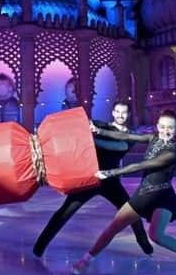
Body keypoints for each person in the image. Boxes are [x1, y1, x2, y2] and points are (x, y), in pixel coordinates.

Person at [71, 110, 176, 275]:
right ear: (157, 126)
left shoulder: (171, 152)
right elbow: (126, 135)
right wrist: (99, 131)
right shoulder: (153, 138)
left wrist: (112, 172)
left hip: (163, 196)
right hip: (144, 194)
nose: (166, 131)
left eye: (170, 128)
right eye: (163, 126)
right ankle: (86, 260)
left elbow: (140, 165)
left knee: (156, 235)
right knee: (113, 227)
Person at [32, 101, 153, 257]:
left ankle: (145, 246)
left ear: (128, 115)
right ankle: (39, 247)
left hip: (111, 181)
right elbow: (79, 126)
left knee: (131, 212)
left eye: (124, 112)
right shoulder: (100, 125)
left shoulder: (130, 136)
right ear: (113, 113)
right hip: (89, 178)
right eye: (117, 112)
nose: (120, 115)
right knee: (64, 212)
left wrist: (93, 138)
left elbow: (118, 147)